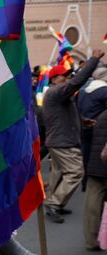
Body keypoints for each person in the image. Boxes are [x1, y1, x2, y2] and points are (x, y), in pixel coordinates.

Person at [42, 49, 104, 223]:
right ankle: (54, 203)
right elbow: (78, 81)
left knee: (58, 173)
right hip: (63, 142)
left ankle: (54, 203)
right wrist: (93, 59)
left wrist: (83, 121)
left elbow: (63, 116)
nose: (68, 78)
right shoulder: (56, 92)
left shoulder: (57, 95)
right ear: (54, 80)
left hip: (58, 140)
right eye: (64, 75)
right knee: (76, 172)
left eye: (68, 75)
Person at [77, 67, 107, 190]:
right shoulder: (104, 91)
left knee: (86, 155)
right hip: (99, 129)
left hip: (85, 126)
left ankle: (85, 182)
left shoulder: (83, 90)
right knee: (98, 159)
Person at [82, 110, 107, 250]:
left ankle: (91, 240)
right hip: (104, 163)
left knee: (93, 203)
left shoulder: (102, 115)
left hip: (95, 164)